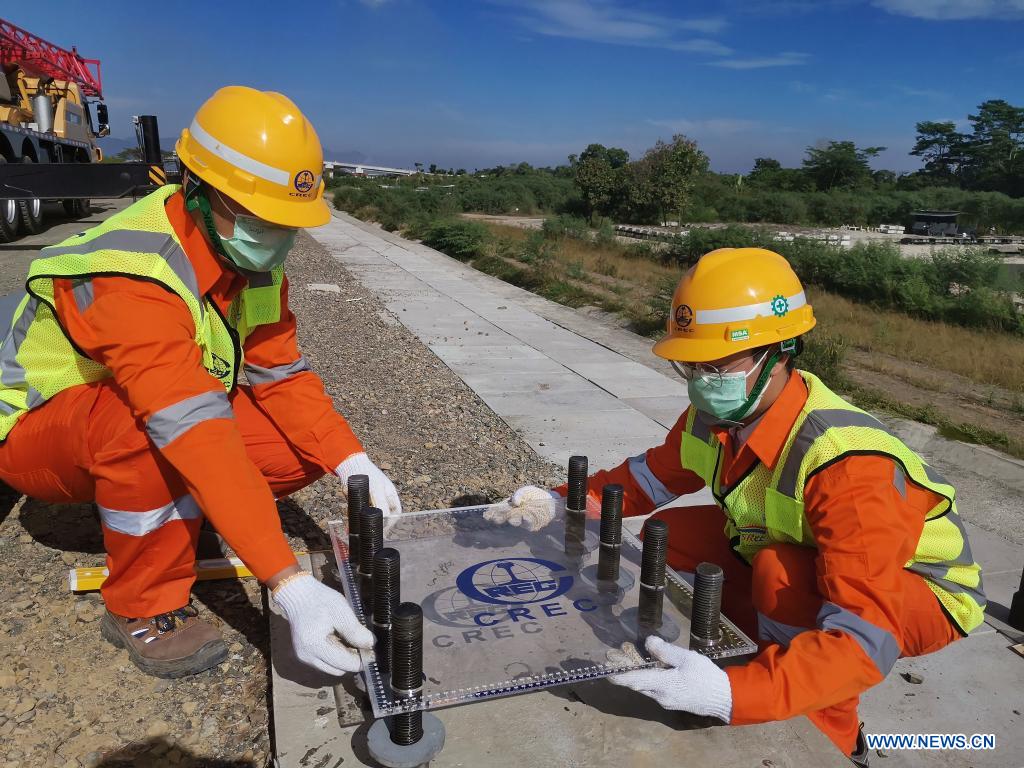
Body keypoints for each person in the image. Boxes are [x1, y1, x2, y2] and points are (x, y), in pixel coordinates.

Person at [487, 247, 985, 765]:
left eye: (718, 362)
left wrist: (731, 696)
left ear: (780, 351)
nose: (701, 377)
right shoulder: (717, 415)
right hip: (805, 553)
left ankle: (832, 738)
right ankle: (762, 652)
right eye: (692, 362)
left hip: (918, 591)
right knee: (671, 535)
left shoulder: (849, 467)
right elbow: (647, 478)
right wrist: (558, 502)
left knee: (780, 576)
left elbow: (863, 635)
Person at [0, 86, 397, 679]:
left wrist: (350, 460)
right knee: (141, 428)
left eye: (288, 224)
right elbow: (187, 423)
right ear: (201, 192)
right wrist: (289, 586)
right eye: (264, 220)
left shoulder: (250, 262)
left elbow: (281, 374)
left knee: (299, 449)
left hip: (156, 409)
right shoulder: (134, 276)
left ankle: (185, 513)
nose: (279, 238)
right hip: (37, 429)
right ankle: (143, 605)